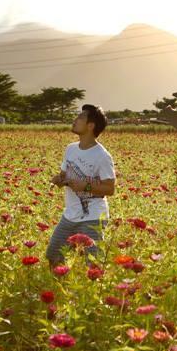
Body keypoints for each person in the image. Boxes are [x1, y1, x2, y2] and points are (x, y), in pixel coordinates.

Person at [47, 104, 116, 268]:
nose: (75, 120)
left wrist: (85, 187)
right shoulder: (70, 149)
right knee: (54, 256)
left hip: (93, 216)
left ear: (90, 126)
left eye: (80, 117)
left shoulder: (102, 156)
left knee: (92, 264)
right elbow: (64, 174)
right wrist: (59, 179)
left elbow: (110, 188)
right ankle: (59, 290)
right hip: (70, 214)